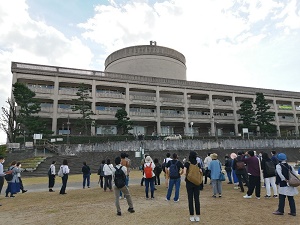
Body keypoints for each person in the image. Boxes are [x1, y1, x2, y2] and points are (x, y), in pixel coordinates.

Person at [183, 151, 202, 222]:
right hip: (196, 183)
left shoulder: (187, 163)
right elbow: (200, 172)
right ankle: (197, 216)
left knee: (190, 199)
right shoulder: (198, 163)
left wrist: (189, 176)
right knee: (197, 199)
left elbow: (184, 172)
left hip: (189, 183)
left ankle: (191, 215)